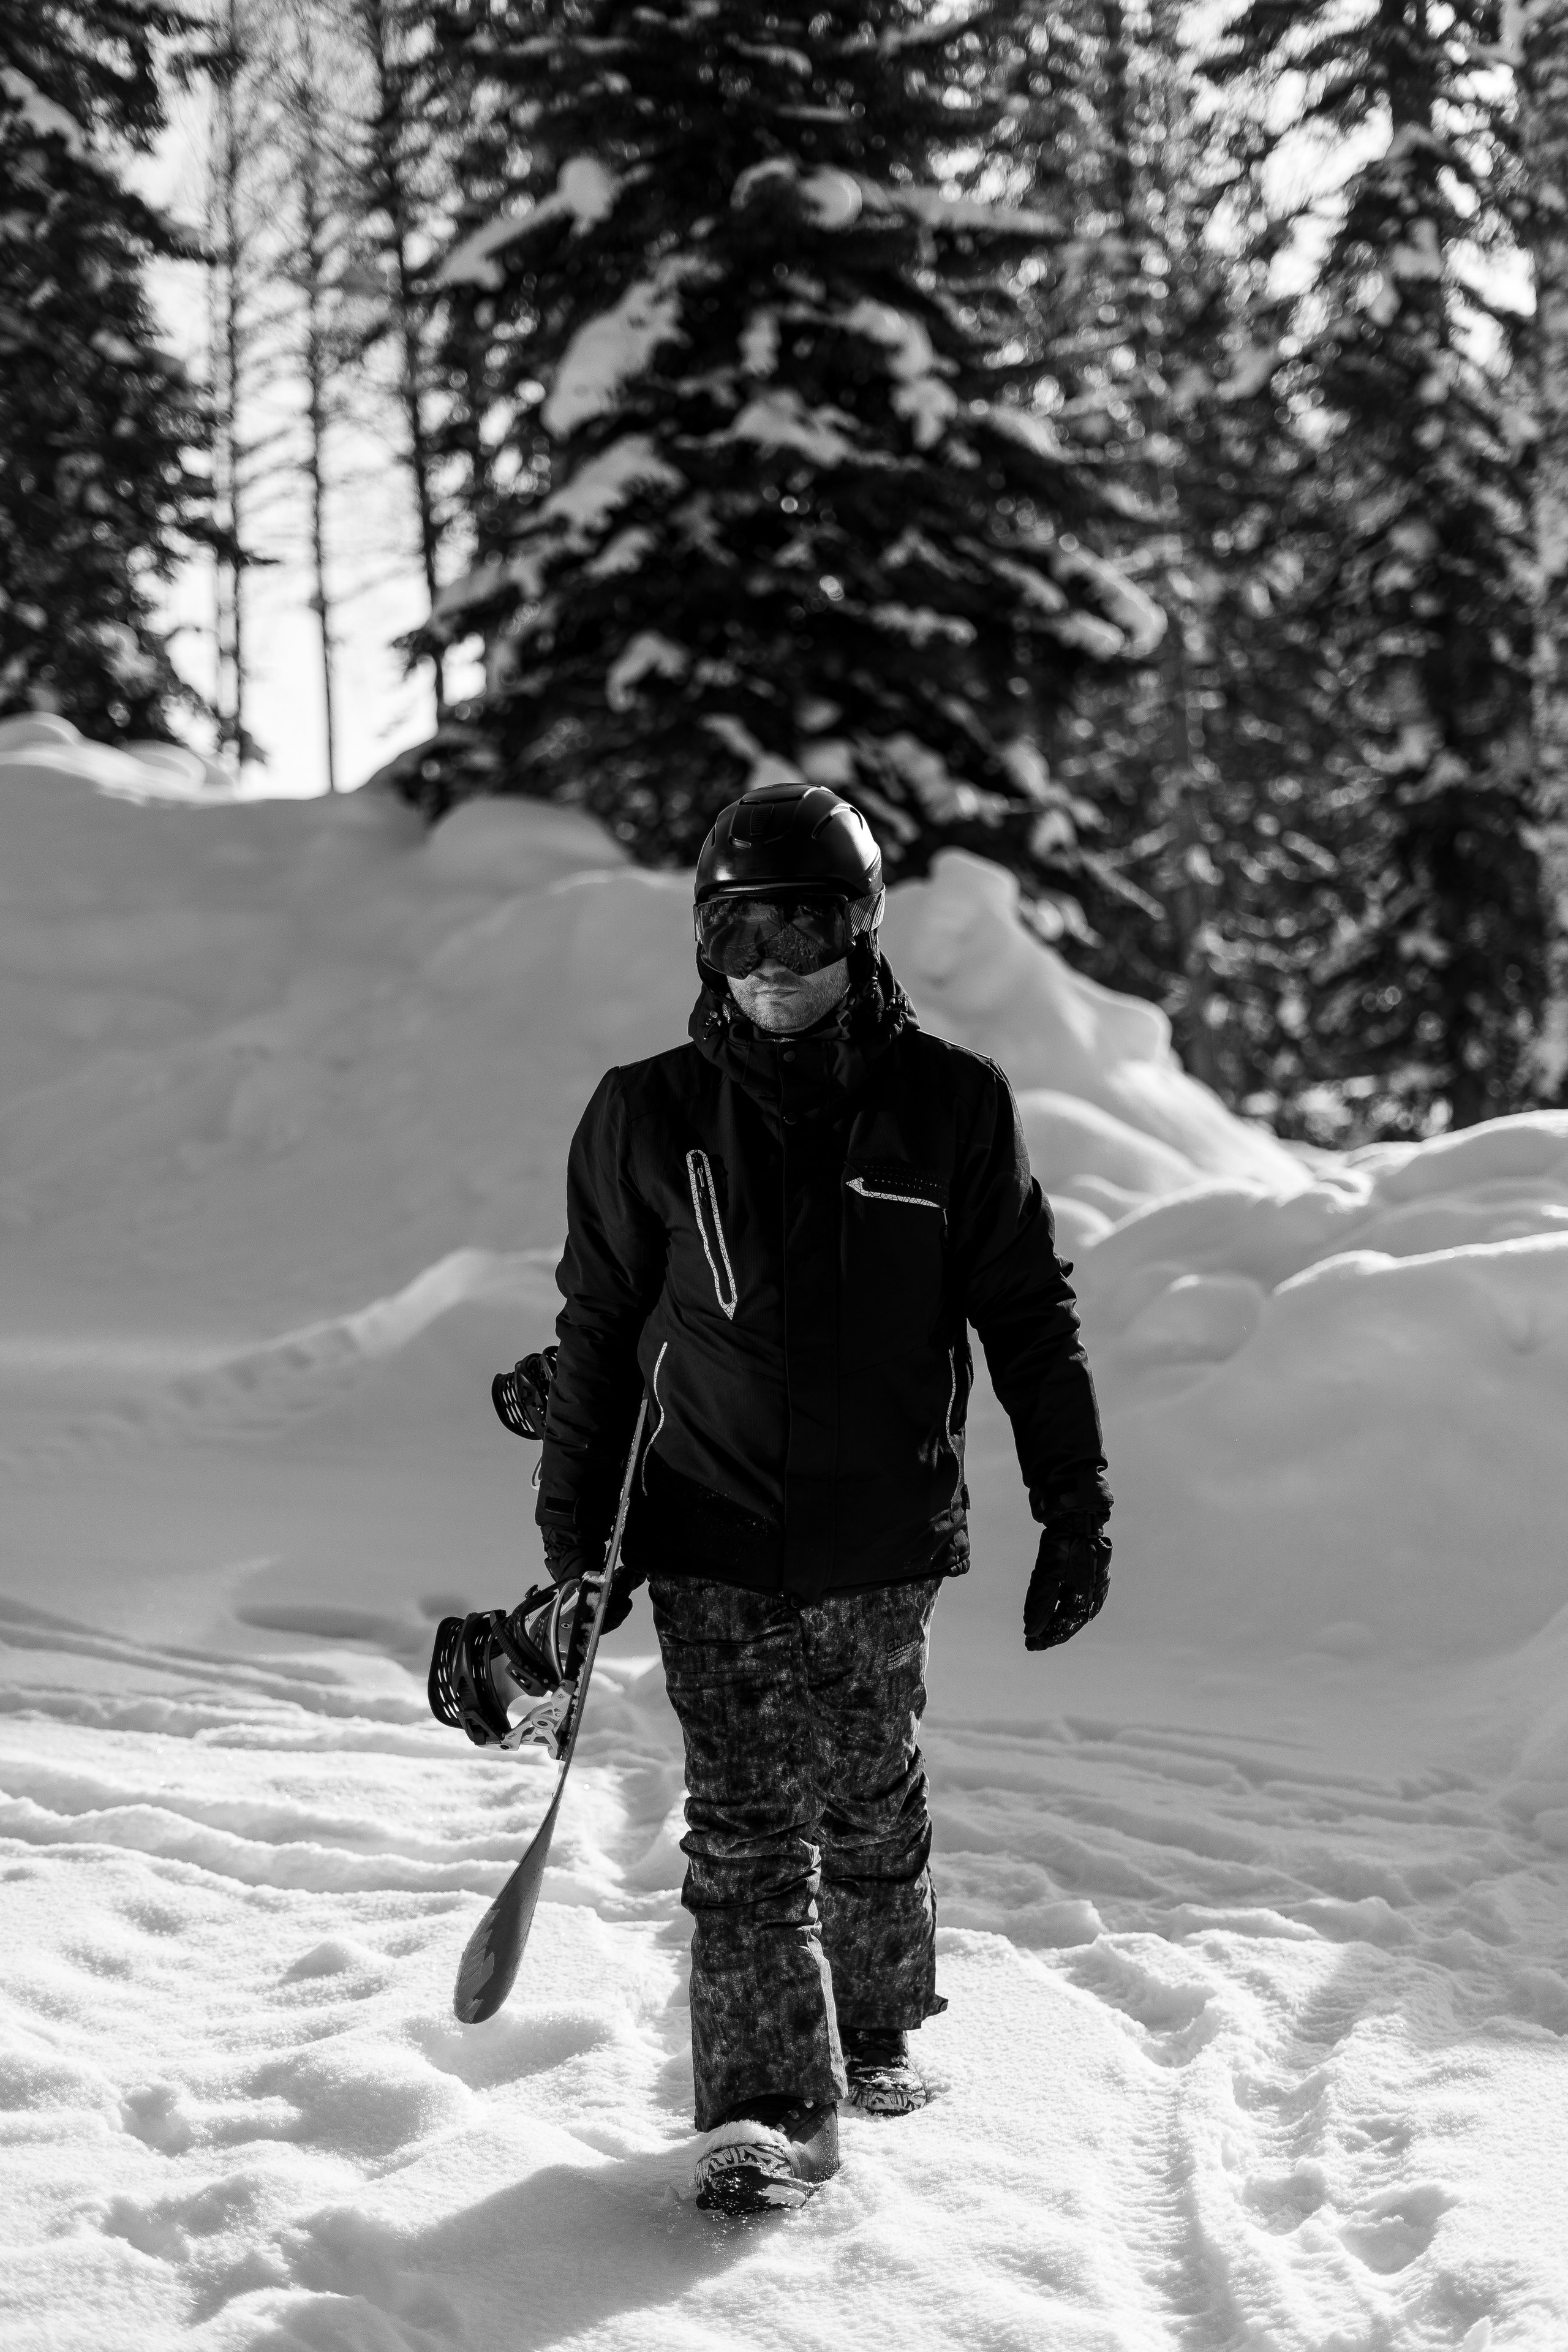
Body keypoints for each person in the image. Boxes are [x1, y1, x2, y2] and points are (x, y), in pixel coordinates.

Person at [537, 782, 1110, 2214]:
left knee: (865, 1790)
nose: (773, 963)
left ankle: (873, 2024)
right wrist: (574, 1557)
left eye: (803, 924)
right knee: (739, 1824)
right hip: (706, 1525)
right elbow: (598, 1342)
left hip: (880, 1532)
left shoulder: (949, 1106)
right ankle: (758, 2106)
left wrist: (1073, 1507)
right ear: (704, 944)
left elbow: (1026, 1318)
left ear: (859, 932)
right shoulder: (643, 1117)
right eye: (741, 929)